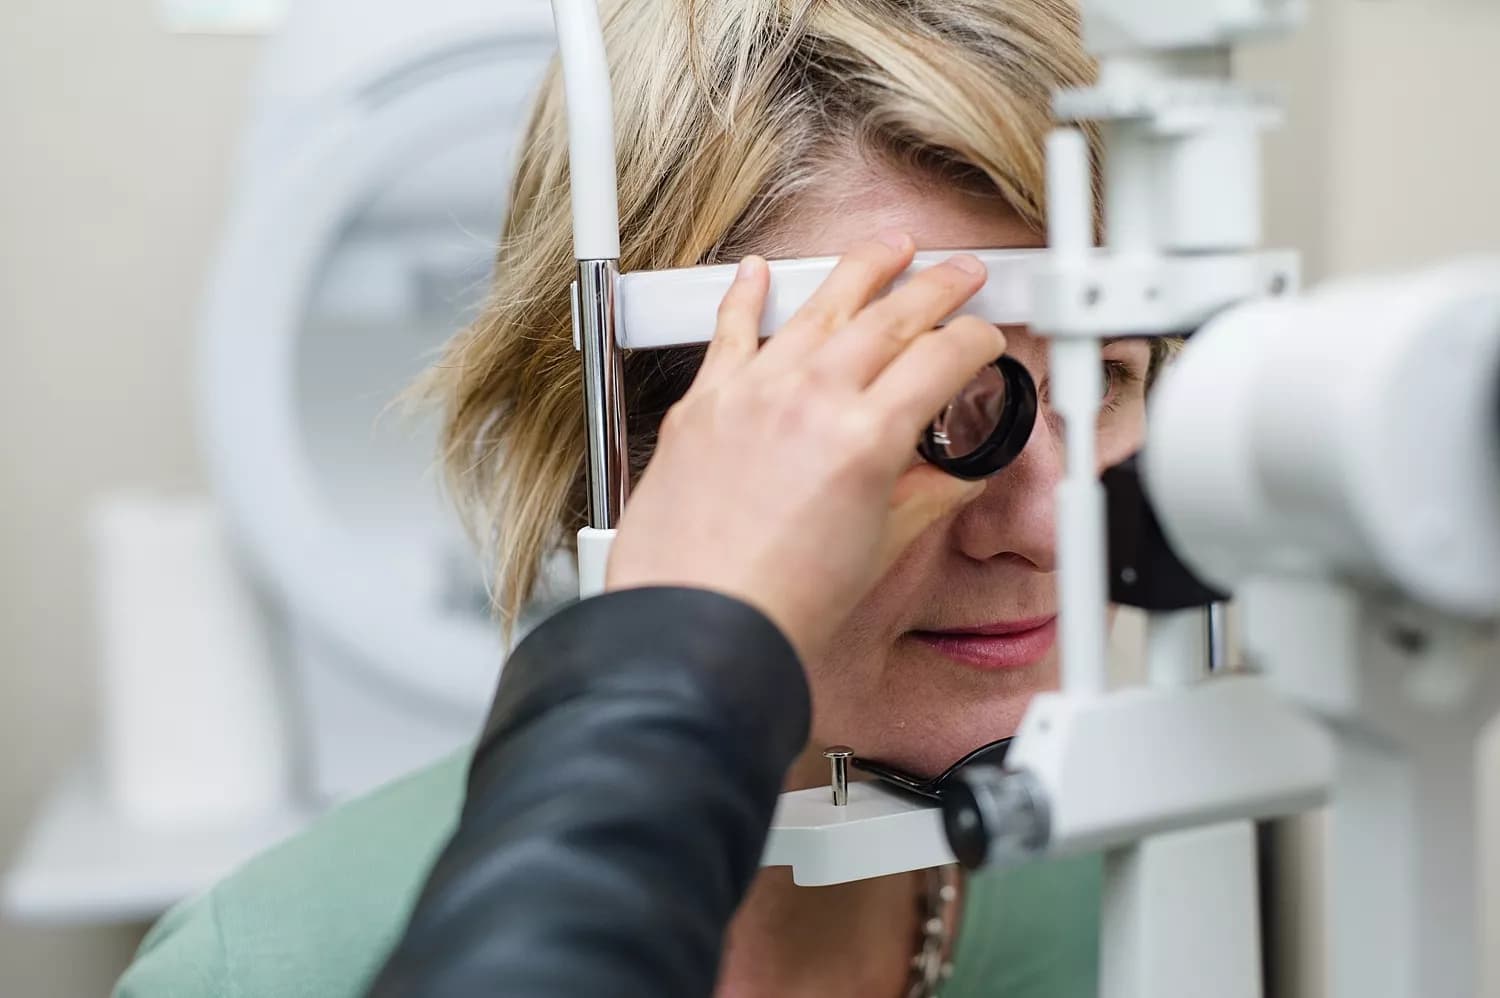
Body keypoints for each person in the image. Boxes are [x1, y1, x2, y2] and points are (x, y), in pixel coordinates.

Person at [115, 1, 1163, 995]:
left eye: (1106, 376)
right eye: (913, 404)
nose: (1043, 527)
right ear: (634, 448)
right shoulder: (252, 966)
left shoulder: (1149, 861)